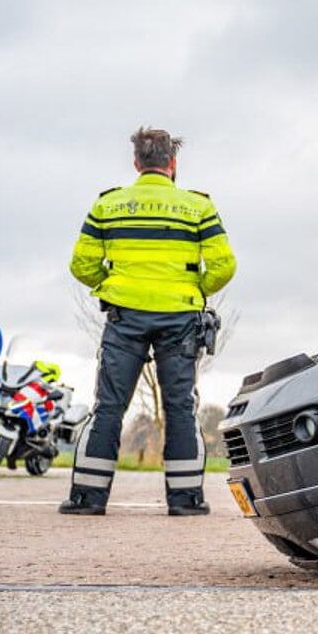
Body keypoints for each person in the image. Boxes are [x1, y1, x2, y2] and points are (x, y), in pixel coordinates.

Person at [61, 128, 237, 516]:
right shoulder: (198, 207)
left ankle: (88, 499)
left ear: (136, 163)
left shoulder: (108, 205)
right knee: (180, 408)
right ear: (172, 164)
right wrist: (194, 289)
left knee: (108, 406)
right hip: (179, 318)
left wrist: (112, 286)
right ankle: (186, 500)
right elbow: (224, 266)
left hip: (124, 317)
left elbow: (81, 265)